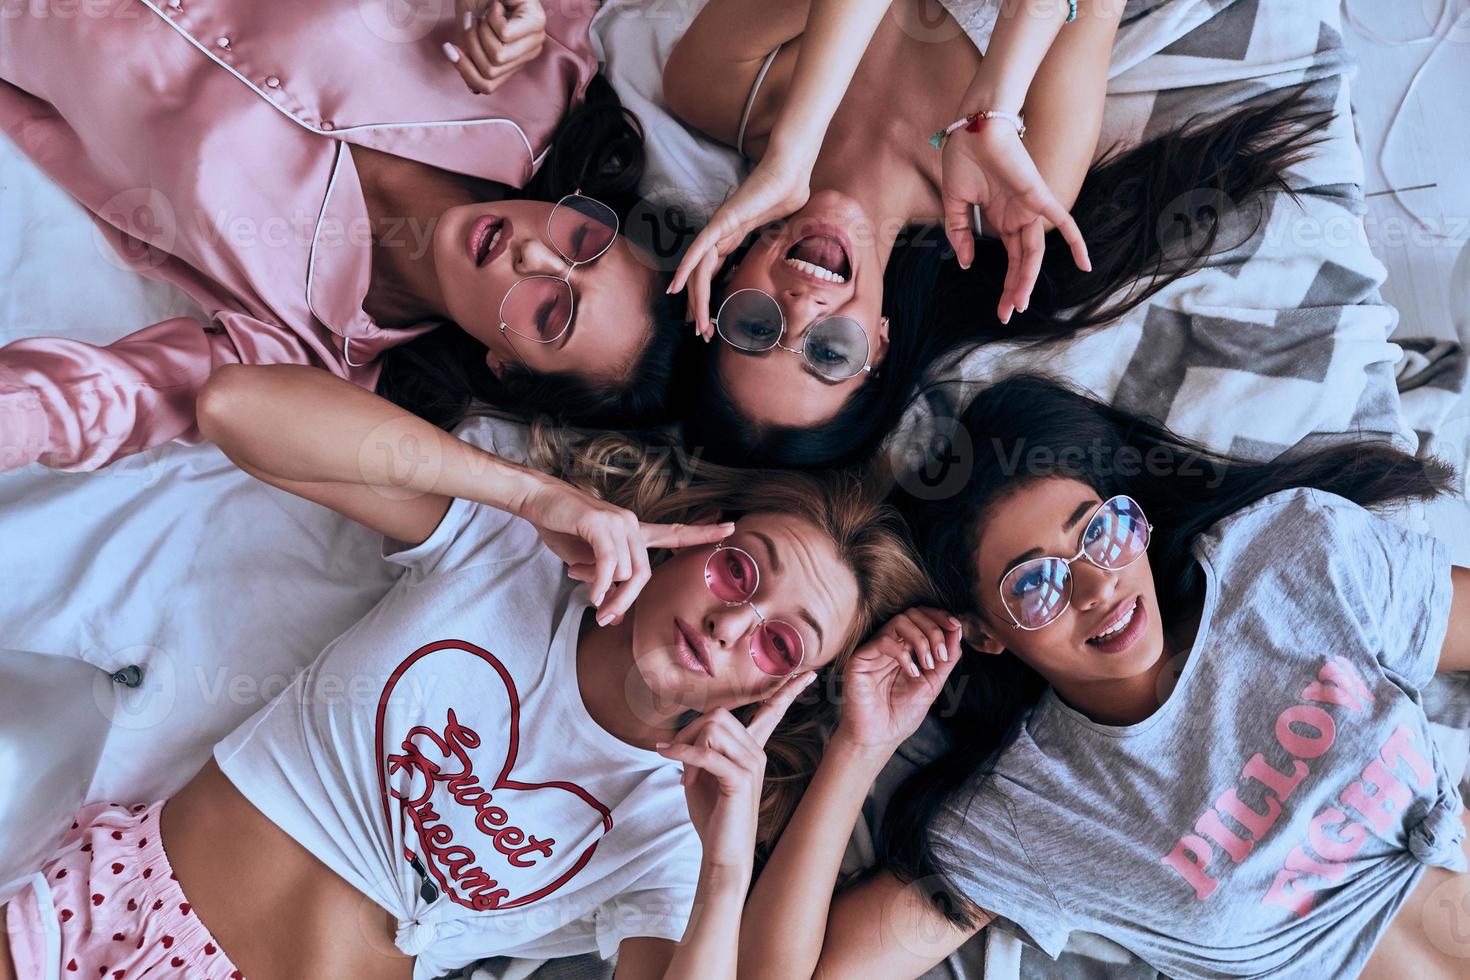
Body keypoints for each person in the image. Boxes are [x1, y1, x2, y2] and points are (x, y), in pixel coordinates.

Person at [0, 361, 933, 979]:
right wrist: (530, 494)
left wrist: (728, 867)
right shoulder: (502, 554)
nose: (734, 621)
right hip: (117, 909)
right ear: (694, 540)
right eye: (741, 568)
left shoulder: (672, 831)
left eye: (779, 642)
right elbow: (236, 409)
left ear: (776, 691)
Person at [733, 375, 1470, 979]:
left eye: (1101, 530)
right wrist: (858, 750)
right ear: (985, 631)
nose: (1097, 588)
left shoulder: (1292, 557)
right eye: (1035, 586)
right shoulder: (1033, 809)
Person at [0, 0, 689, 474]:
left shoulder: (302, 346)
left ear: (502, 364)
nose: (535, 255)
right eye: (583, 244)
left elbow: (113, 400)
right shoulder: (542, 73)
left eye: (550, 311)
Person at [662, 0, 1330, 468]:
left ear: (718, 281)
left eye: (754, 326)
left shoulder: (711, 84)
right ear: (883, 340)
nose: (803, 310)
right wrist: (995, 106)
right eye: (830, 353)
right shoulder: (1023, 187)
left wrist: (794, 148)